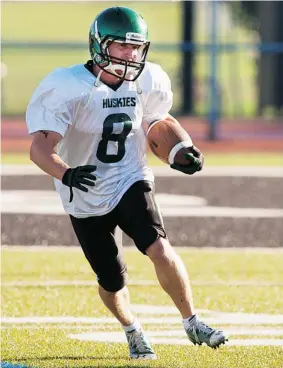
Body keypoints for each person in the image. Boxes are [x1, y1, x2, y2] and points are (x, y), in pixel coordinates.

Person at [26, 6, 228, 360]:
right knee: (112, 280)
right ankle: (131, 328)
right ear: (99, 45)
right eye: (121, 46)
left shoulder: (148, 79)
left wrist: (181, 149)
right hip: (85, 192)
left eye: (136, 47)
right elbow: (40, 147)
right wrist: (65, 173)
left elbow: (156, 121)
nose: (131, 55)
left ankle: (192, 320)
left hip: (130, 177)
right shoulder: (69, 86)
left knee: (159, 247)